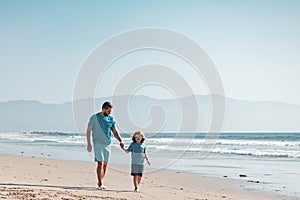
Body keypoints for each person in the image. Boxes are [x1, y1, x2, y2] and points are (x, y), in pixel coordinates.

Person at [86, 101, 124, 190]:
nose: (109, 113)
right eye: (108, 111)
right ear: (103, 109)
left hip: (107, 143)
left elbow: (115, 131)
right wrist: (89, 143)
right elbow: (88, 131)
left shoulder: (111, 119)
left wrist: (120, 141)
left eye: (110, 111)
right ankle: (100, 183)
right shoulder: (94, 118)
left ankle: (101, 181)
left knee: (105, 164)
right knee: (100, 162)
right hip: (97, 143)